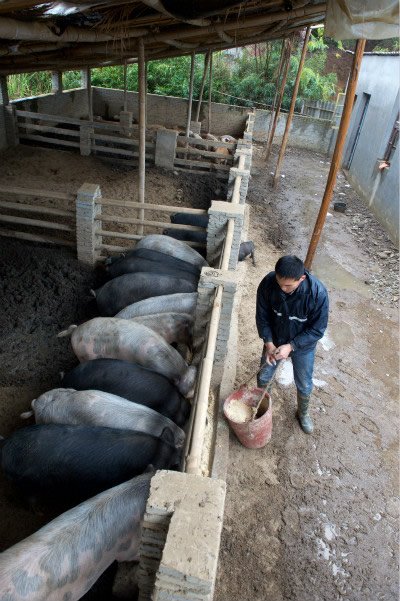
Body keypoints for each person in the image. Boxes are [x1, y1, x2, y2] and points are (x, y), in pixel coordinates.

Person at [255, 255, 329, 434]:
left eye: (288, 286)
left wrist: (291, 346)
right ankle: (264, 408)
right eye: (279, 283)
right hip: (275, 340)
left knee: (304, 383)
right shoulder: (268, 283)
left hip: (303, 346)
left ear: (301, 278)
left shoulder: (317, 294)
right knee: (263, 377)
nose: (282, 289)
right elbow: (262, 317)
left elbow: (317, 330)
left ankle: (302, 413)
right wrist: (269, 343)